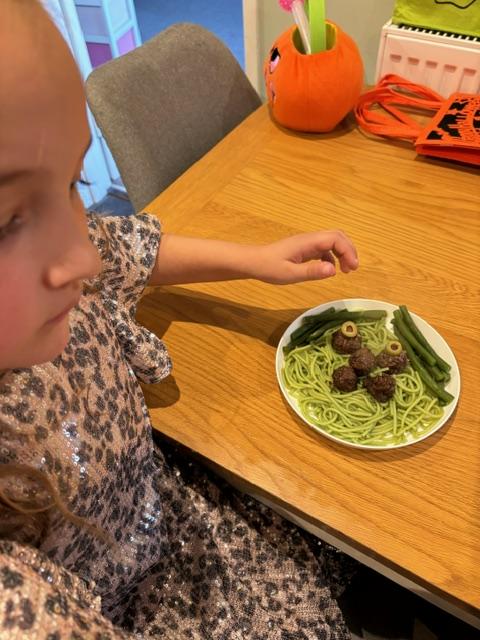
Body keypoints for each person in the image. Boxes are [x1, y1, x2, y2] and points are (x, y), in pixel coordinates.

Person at [0, 1, 359, 638]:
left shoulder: (65, 265)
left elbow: (123, 247)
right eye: (6, 222)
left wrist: (257, 260)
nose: (83, 257)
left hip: (167, 510)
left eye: (75, 184)